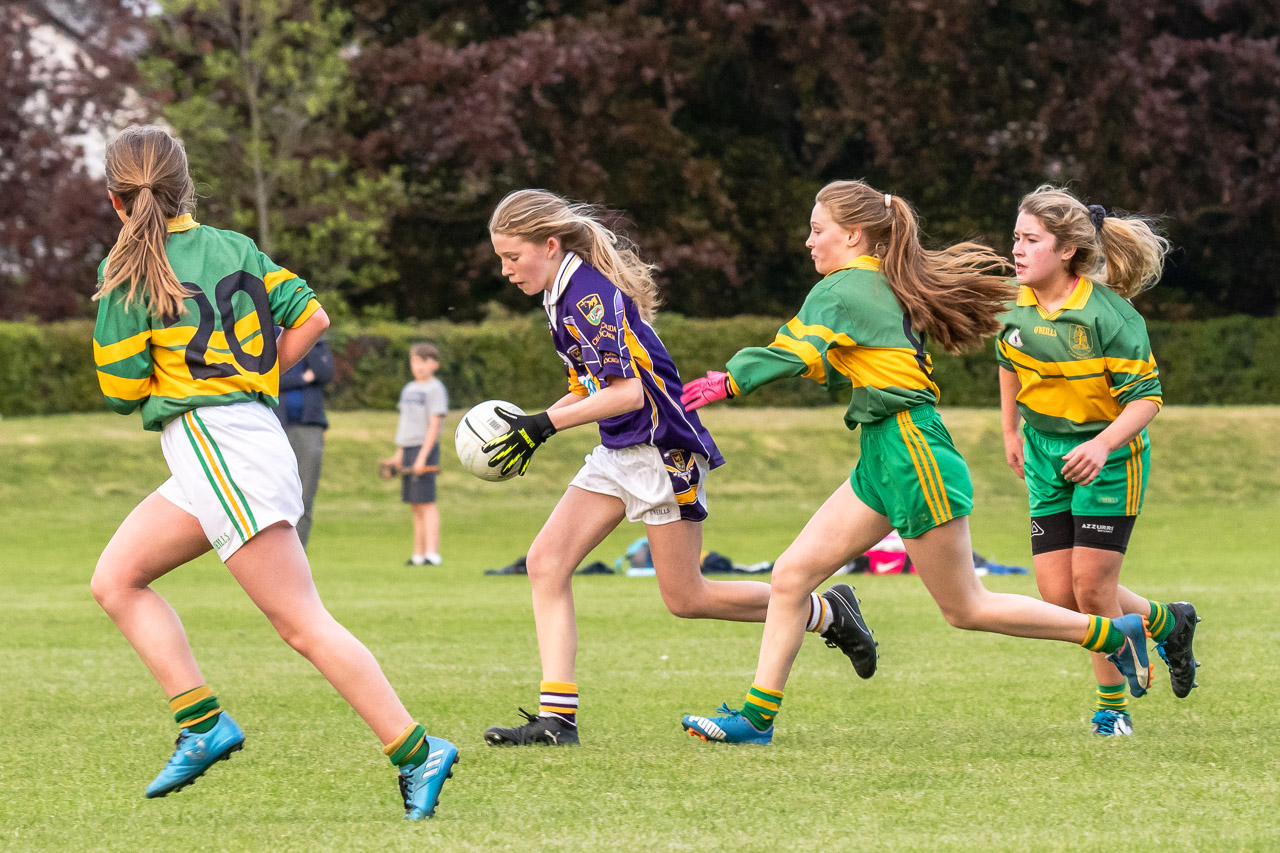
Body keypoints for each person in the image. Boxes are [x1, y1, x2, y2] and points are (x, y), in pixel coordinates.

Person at [678, 179, 1152, 745]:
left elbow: (798, 349)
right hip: (883, 452)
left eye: (817, 229)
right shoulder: (872, 283)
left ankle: (1111, 634)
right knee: (791, 576)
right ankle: (756, 720)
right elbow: (833, 363)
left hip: (912, 455)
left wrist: (731, 379)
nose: (809, 242)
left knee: (967, 609)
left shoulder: (845, 286)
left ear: (853, 235)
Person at [88, 125, 456, 818]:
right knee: (116, 579)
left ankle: (417, 748)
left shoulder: (129, 273)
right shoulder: (236, 247)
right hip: (239, 441)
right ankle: (201, 723)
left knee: (301, 623)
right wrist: (257, 375)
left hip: (217, 446)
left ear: (115, 200)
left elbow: (120, 388)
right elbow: (312, 315)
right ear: (185, 186)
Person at [479, 189, 873, 747]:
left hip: (662, 450)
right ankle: (556, 720)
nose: (505, 270)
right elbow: (585, 389)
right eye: (500, 259)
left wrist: (544, 425)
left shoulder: (587, 296)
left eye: (512, 257)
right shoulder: (559, 294)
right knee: (546, 562)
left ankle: (825, 612)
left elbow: (628, 394)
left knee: (687, 598)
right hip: (620, 450)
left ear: (548, 245)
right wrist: (534, 423)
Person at [998, 186, 1200, 736]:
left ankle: (1112, 708)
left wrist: (1102, 444)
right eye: (1016, 237)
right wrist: (1011, 428)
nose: (1016, 249)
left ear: (1066, 251)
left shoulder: (1110, 316)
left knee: (1090, 591)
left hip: (1108, 458)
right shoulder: (1013, 302)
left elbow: (1147, 399)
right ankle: (1166, 621)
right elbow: (1009, 359)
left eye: (1030, 240)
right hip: (1044, 455)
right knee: (1058, 596)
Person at [384, 342, 448, 566]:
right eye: (415, 361)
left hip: (425, 448)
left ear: (435, 364)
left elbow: (434, 424)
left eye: (424, 361)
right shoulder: (409, 389)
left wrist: (422, 457)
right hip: (409, 447)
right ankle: (418, 554)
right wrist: (399, 453)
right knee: (415, 504)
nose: (419, 366)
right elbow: (405, 423)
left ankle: (433, 553)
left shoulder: (435, 388)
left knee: (427, 502)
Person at [273, 334, 334, 548]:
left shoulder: (316, 340)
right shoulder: (266, 335)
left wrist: (312, 341)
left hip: (309, 426)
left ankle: (298, 557)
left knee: (303, 498)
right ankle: (274, 558)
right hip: (275, 427)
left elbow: (325, 373)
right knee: (275, 497)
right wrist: (303, 379)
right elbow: (266, 380)